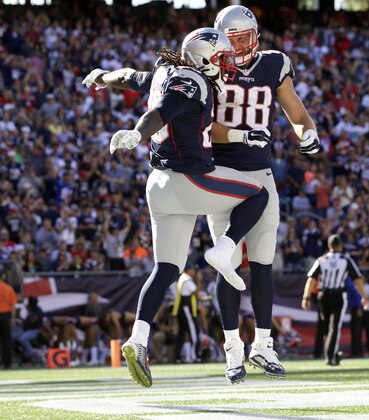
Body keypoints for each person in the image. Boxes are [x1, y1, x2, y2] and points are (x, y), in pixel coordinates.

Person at [82, 27, 270, 388]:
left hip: (159, 185)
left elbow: (130, 77)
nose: (225, 63)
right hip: (190, 179)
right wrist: (137, 133)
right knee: (258, 193)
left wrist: (104, 77)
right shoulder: (192, 81)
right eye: (220, 57)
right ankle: (225, 248)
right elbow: (162, 111)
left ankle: (138, 339)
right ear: (203, 57)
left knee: (167, 269)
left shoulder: (166, 71)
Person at [209, 5, 321, 384]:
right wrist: (241, 135)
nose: (238, 45)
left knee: (262, 262)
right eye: (232, 38)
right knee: (227, 260)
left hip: (261, 171)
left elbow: (297, 112)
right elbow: (204, 127)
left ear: (255, 35)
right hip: (221, 173)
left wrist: (308, 133)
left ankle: (262, 344)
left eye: (244, 37)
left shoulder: (274, 64)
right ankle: (231, 349)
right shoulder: (208, 63)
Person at [302, 234, 366, 366]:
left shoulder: (321, 260)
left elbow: (311, 279)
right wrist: (364, 296)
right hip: (338, 295)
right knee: (334, 327)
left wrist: (306, 297)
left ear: (329, 246)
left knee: (327, 327)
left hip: (323, 295)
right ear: (340, 246)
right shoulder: (346, 259)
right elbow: (357, 280)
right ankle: (331, 356)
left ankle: (332, 354)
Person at [171, 264, 199, 364]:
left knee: (181, 334)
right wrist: (199, 280)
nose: (194, 272)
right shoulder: (187, 278)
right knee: (193, 331)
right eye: (192, 270)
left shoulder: (182, 278)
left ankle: (177, 357)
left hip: (180, 308)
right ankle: (194, 356)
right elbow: (197, 293)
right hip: (186, 307)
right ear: (188, 270)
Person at [0, 276, 17, 369]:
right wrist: (13, 319)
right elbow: (13, 306)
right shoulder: (8, 288)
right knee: (6, 340)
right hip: (5, 316)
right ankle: (7, 363)